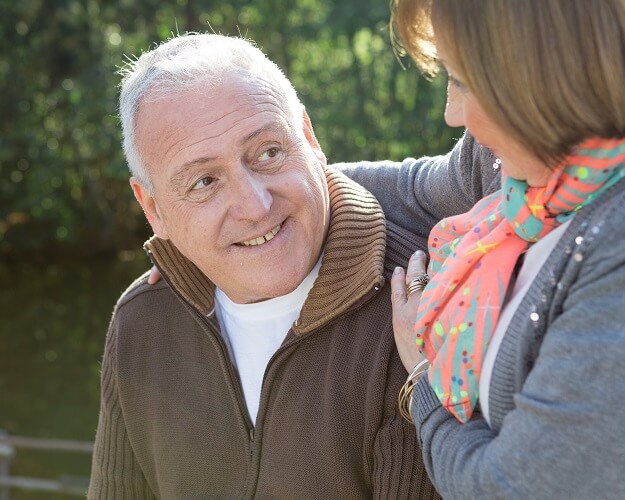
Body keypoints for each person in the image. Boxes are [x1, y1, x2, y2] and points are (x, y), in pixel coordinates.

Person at [87, 33, 456, 499]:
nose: (254, 205)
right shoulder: (144, 320)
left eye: (267, 152)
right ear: (154, 209)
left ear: (309, 138)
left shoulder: (419, 314)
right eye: (204, 181)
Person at [384, 0, 625, 498]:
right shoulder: (531, 164)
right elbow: (410, 190)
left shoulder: (624, 247)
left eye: (462, 81)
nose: (451, 114)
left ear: (542, 80)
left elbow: (507, 486)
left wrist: (423, 377)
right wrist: (290, 176)